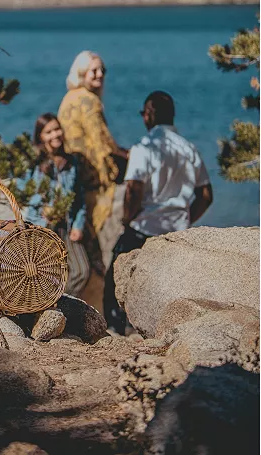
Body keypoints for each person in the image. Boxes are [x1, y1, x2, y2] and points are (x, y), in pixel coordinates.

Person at [103, 90, 214, 334]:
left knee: (115, 277)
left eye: (144, 113)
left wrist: (127, 218)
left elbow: (133, 189)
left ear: (149, 116)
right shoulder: (190, 149)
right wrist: (185, 217)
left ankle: (114, 329)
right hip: (178, 231)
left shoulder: (144, 147)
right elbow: (206, 196)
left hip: (144, 228)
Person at [57, 51, 128, 272]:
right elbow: (102, 144)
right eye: (94, 70)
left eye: (102, 70)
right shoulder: (88, 100)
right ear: (81, 73)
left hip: (73, 177)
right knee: (107, 247)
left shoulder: (69, 96)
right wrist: (128, 159)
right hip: (91, 183)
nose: (100, 75)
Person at [18, 112, 91, 297]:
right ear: (41, 137)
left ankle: (59, 303)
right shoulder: (34, 163)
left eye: (57, 129)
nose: (55, 134)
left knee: (81, 271)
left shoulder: (71, 162)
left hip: (66, 227)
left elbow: (79, 199)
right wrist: (43, 207)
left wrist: (79, 225)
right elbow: (21, 192)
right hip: (40, 228)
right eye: (49, 132)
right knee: (42, 274)